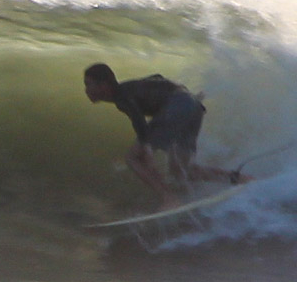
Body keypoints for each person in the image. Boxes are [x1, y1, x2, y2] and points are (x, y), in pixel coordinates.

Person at [83, 62, 244, 207]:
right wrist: (188, 98)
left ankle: (169, 198)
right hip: (193, 105)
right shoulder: (131, 87)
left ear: (103, 85)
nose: (86, 90)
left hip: (178, 105)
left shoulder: (121, 96)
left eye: (88, 84)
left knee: (133, 158)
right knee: (182, 170)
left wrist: (146, 147)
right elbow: (158, 78)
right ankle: (238, 178)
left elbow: (137, 118)